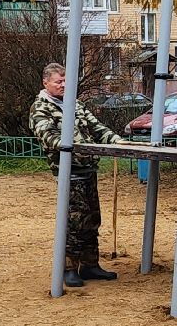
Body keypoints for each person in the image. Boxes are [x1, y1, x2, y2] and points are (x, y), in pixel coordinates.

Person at [28, 62, 128, 287]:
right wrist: (76, 147)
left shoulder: (75, 104)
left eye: (65, 81)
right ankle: (69, 268)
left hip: (88, 169)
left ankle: (90, 265)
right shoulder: (41, 107)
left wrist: (116, 141)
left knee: (92, 219)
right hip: (68, 172)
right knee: (74, 222)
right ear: (46, 83)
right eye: (58, 81)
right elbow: (48, 136)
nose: (63, 85)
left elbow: (97, 128)